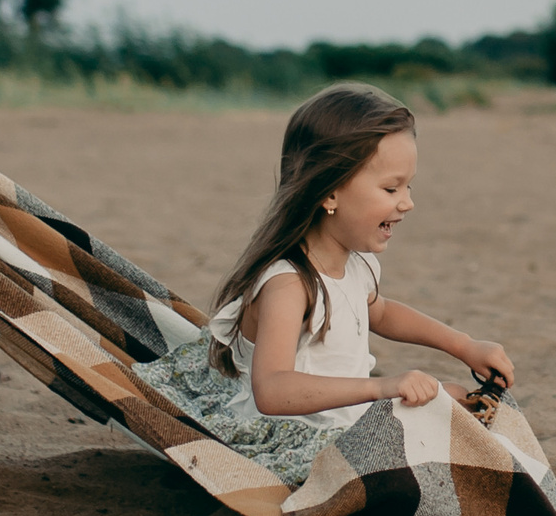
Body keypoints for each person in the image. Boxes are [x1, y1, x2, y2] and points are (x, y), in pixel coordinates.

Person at [134, 83, 514, 484]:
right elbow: (273, 390)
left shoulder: (356, 264)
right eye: (391, 188)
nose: (407, 202)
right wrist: (382, 387)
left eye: (408, 186)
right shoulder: (289, 285)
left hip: (340, 419)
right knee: (429, 423)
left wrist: (464, 345)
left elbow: (381, 312)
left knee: (455, 401)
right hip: (287, 435)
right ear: (330, 192)